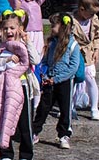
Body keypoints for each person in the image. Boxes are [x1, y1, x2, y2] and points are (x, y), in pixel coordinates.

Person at [0, 10, 33, 160]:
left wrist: (27, 43)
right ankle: (6, 154)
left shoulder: (24, 46)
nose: (9, 31)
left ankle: (26, 156)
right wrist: (5, 60)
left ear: (19, 29)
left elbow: (35, 60)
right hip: (3, 89)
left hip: (22, 87)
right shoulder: (0, 48)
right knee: (4, 121)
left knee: (24, 124)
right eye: (5, 28)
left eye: (12, 28)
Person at [33, 13, 82, 149]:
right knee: (43, 107)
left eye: (54, 25)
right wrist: (45, 75)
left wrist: (57, 79)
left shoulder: (73, 45)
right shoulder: (52, 43)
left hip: (64, 81)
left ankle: (64, 134)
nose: (51, 28)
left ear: (62, 27)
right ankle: (35, 131)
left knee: (65, 108)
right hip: (49, 80)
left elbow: (73, 67)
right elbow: (45, 61)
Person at [71, 0, 99, 121]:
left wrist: (96, 50)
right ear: (81, 9)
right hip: (75, 53)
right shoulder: (72, 21)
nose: (92, 16)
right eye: (90, 13)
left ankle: (94, 108)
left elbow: (97, 36)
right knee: (73, 80)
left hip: (88, 54)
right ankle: (70, 106)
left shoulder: (93, 19)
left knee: (90, 79)